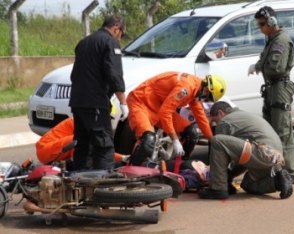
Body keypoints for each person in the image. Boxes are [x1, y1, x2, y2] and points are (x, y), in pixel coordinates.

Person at [198, 101, 293, 200]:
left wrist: (216, 179)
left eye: (214, 120)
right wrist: (229, 177)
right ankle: (278, 181)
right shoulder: (243, 116)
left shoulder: (225, 121)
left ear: (220, 113)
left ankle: (218, 189)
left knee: (217, 140)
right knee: (247, 185)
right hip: (274, 157)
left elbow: (223, 156)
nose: (215, 124)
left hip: (263, 152)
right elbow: (241, 156)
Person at [127, 71, 227, 165]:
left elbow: (201, 118)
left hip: (159, 107)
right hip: (140, 102)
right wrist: (175, 139)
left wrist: (212, 140)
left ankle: (179, 166)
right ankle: (132, 172)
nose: (205, 100)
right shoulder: (186, 88)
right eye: (208, 97)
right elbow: (165, 113)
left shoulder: (196, 90)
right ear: (206, 89)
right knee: (148, 140)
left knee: (191, 133)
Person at [69, 15, 127, 170]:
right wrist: (123, 103)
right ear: (116, 29)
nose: (120, 39)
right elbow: (114, 74)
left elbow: (75, 74)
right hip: (94, 103)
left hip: (77, 101)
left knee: (83, 145)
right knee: (104, 146)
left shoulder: (84, 42)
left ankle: (80, 183)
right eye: (121, 34)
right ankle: (104, 188)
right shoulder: (110, 42)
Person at [248, 6, 294, 183]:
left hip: (279, 89)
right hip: (271, 89)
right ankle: (277, 170)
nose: (260, 28)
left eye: (262, 24)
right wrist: (258, 64)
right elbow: (264, 59)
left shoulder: (281, 41)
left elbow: (276, 67)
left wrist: (259, 67)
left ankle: (288, 173)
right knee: (270, 130)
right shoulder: (271, 39)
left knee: (282, 131)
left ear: (271, 22)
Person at [36, 118, 129, 166]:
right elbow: (99, 148)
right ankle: (76, 167)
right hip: (45, 150)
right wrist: (122, 158)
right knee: (80, 140)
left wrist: (122, 157)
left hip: (47, 150)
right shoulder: (84, 122)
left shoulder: (84, 120)